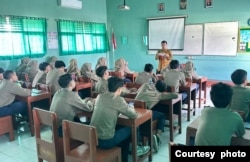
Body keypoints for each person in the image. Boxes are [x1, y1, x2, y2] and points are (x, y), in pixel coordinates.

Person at [90, 76, 150, 162]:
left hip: (93, 139)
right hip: (106, 141)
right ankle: (136, 149)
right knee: (132, 128)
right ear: (119, 89)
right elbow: (133, 115)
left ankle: (124, 157)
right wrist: (131, 108)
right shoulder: (118, 100)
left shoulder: (100, 97)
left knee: (122, 132)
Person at [135, 80, 178, 152]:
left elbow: (137, 91)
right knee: (162, 116)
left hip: (133, 109)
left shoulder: (145, 85)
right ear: (163, 90)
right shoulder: (159, 95)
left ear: (155, 84)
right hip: (144, 115)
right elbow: (175, 95)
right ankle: (157, 136)